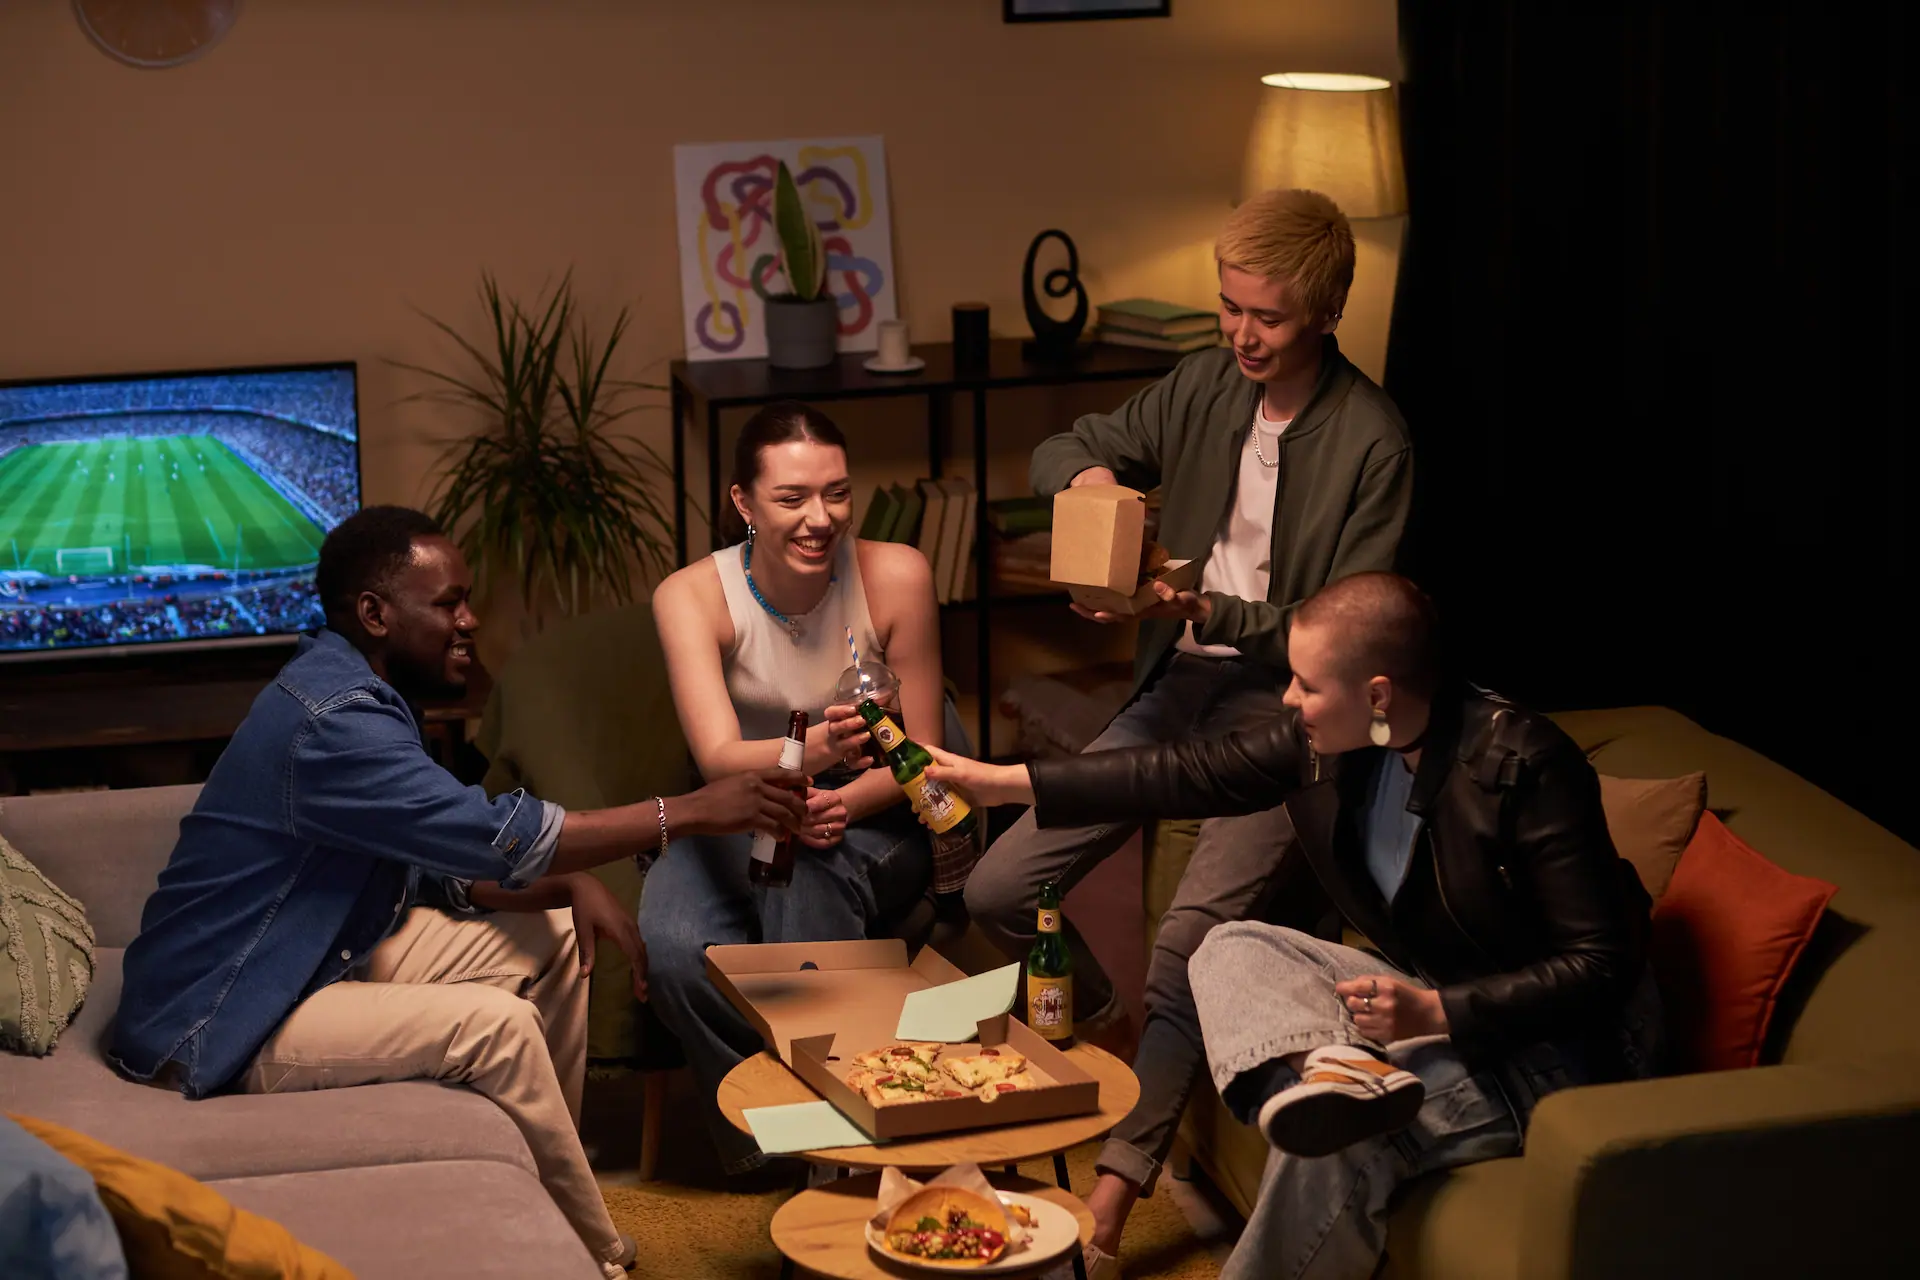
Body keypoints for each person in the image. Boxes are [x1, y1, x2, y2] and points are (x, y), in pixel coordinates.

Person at [108, 506, 805, 1280]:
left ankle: (534, 1188)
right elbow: (494, 834)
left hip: (311, 956)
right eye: (448, 603)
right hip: (221, 1012)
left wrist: (570, 882)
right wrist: (689, 812)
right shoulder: (334, 720)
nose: (470, 621)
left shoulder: (362, 691)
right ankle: (596, 1253)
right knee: (496, 1026)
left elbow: (435, 861)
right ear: (375, 613)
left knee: (560, 937)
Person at [921, 573, 1658, 1280]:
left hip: (1557, 1051)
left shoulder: (1522, 764)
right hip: (1437, 999)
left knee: (1337, 1139)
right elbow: (1184, 770)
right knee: (1227, 944)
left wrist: (1439, 1011)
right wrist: (1002, 781)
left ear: (1376, 693)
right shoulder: (1339, 743)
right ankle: (1334, 1072)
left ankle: (1339, 1088)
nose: (1288, 697)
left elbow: (1600, 965)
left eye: (1306, 684)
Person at [958, 187, 1415, 1269]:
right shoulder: (1208, 382)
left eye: (1266, 317)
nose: (1242, 335)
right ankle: (1127, 1034)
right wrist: (1092, 489)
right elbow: (1067, 443)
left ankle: (1114, 1193)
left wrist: (1204, 605)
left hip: (1288, 712)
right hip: (1176, 685)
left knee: (1190, 943)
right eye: (1228, 308)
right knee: (993, 888)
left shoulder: (1375, 441)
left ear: (1326, 311)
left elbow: (1339, 636)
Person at [644, 400, 968, 1174]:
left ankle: (845, 1158)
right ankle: (773, 1145)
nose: (820, 518)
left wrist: (838, 799)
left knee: (804, 878)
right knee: (675, 948)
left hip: (875, 811)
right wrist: (822, 747)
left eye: (837, 493)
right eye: (792, 498)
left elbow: (921, 751)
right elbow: (721, 756)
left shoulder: (898, 574)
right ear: (743, 503)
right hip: (737, 807)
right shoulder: (690, 596)